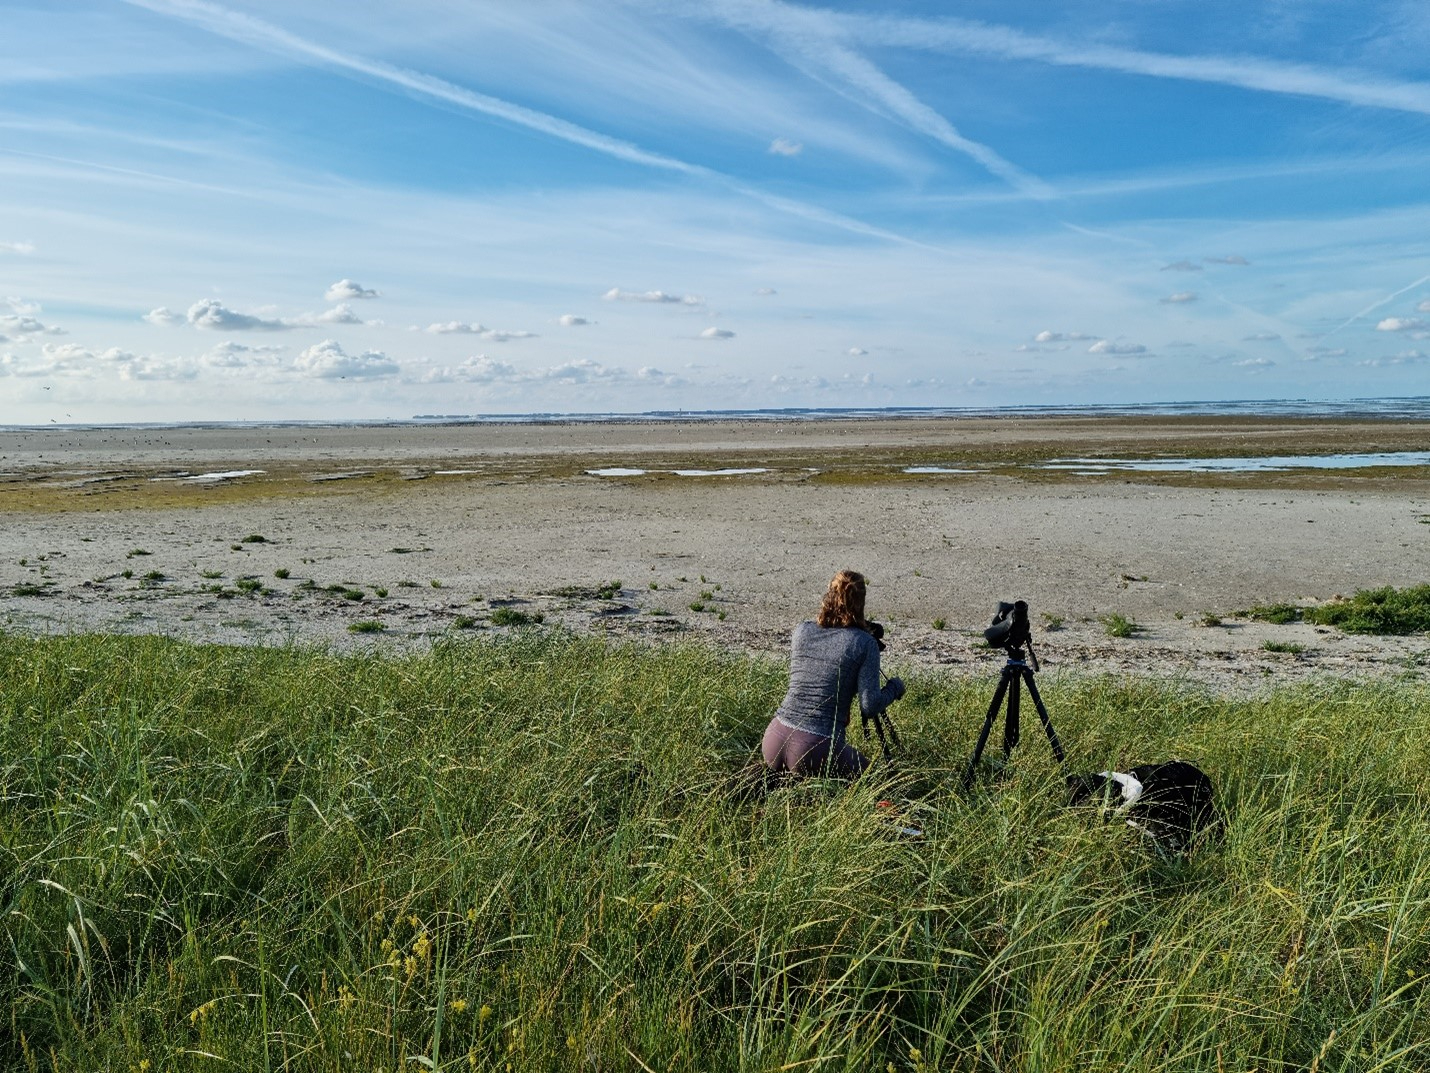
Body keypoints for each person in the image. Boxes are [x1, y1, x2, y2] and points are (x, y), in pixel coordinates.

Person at [761, 570, 905, 779]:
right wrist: (894, 688)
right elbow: (870, 705)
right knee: (878, 783)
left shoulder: (802, 631)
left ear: (828, 594)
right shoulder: (864, 643)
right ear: (861, 601)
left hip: (774, 738)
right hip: (814, 747)